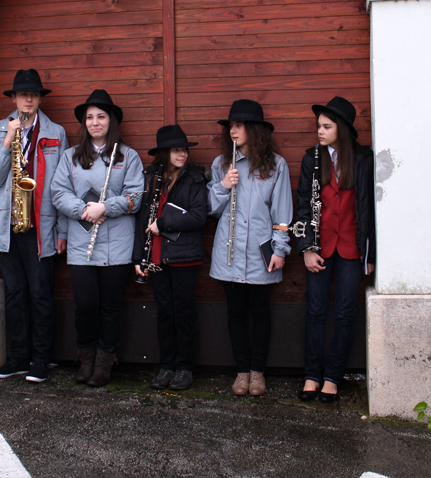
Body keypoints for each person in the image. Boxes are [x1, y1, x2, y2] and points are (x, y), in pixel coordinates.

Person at [0, 69, 69, 383]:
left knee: (41, 294)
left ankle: (40, 360)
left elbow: (63, 184)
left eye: (33, 94)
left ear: (39, 98)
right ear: (14, 99)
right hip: (7, 226)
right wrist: (7, 140)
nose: (28, 99)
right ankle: (18, 358)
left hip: (40, 228)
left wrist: (63, 230)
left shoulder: (56, 133)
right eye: (22, 94)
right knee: (14, 294)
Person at [51, 89, 144, 387]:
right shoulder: (70, 156)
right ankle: (86, 358)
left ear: (111, 120)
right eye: (90, 117)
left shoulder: (128, 156)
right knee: (85, 305)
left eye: (101, 117)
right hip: (82, 244)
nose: (95, 122)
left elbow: (135, 196)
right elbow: (58, 192)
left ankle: (105, 362)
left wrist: (106, 207)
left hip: (117, 244)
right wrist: (84, 211)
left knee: (111, 307)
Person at [208, 99, 292, 397]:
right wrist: (223, 186)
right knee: (235, 312)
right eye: (231, 125)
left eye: (240, 125)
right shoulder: (221, 164)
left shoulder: (276, 165)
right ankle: (241, 371)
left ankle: (258, 373)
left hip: (260, 252)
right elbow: (210, 209)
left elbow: (282, 210)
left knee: (260, 311)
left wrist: (280, 249)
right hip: (229, 251)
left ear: (254, 130)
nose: (233, 130)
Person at [295, 96, 376, 403]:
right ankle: (311, 375)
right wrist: (306, 248)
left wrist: (370, 254)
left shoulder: (363, 159)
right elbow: (303, 206)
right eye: (319, 126)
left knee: (344, 313)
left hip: (352, 249)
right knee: (315, 311)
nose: (320, 131)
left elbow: (370, 210)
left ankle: (333, 377)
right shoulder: (312, 159)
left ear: (341, 128)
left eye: (327, 126)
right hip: (319, 246)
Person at [132, 125, 209, 391]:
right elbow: (142, 220)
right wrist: (138, 257)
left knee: (183, 313)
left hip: (183, 257)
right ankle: (166, 366)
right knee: (165, 313)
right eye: (176, 150)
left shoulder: (195, 178)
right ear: (165, 153)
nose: (183, 154)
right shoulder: (151, 177)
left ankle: (184, 368)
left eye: (184, 149)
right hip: (156, 257)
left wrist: (163, 223)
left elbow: (199, 216)